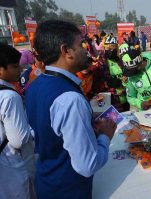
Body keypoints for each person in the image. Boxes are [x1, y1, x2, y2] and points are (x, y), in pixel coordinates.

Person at [25, 20, 117, 199]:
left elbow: (50, 131)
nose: (86, 50)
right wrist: (106, 136)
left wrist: (87, 119)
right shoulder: (70, 99)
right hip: (69, 190)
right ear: (66, 51)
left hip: (47, 182)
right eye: (81, 45)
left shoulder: (35, 85)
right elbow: (87, 165)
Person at [0, 43, 35, 199]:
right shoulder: (9, 96)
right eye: (15, 66)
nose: (20, 70)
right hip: (12, 164)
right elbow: (19, 140)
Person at [120, 45, 151, 110]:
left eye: (132, 70)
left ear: (141, 62)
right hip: (145, 113)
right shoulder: (130, 76)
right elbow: (130, 97)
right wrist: (141, 104)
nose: (131, 74)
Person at [99, 35, 129, 112]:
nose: (111, 50)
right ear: (104, 48)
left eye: (113, 48)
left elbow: (127, 74)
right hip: (112, 99)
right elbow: (105, 81)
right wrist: (119, 81)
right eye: (108, 48)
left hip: (124, 96)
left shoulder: (120, 60)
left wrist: (126, 80)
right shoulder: (101, 62)